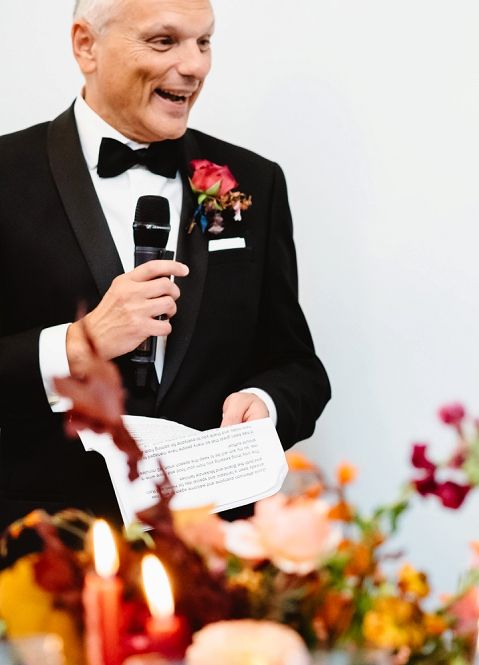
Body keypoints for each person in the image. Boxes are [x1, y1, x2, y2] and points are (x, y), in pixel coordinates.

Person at [0, 0, 330, 533]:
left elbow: (298, 366)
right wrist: (79, 344)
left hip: (211, 547)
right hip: (43, 548)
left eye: (204, 41)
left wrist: (265, 404)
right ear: (86, 45)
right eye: (163, 41)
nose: (195, 65)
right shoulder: (6, 176)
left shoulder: (246, 181)